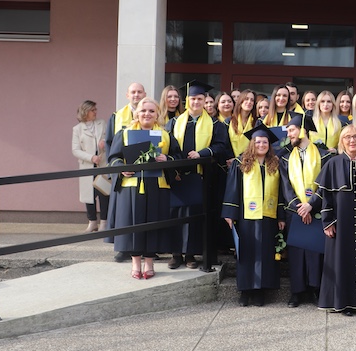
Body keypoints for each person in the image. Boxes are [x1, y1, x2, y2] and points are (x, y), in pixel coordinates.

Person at [107, 97, 180, 280]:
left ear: (157, 115)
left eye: (151, 111)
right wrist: (122, 169)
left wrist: (168, 160)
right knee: (133, 224)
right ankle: (135, 262)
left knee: (153, 224)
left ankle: (149, 262)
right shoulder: (124, 134)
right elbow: (113, 158)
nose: (147, 114)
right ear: (136, 113)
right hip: (131, 186)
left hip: (156, 186)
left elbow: (177, 156)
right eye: (143, 110)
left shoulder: (165, 135)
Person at [316, 125, 356, 316]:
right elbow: (325, 195)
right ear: (341, 141)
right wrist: (327, 221)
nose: (352, 141)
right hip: (340, 222)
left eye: (355, 137)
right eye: (347, 137)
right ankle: (341, 303)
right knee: (340, 261)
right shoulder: (332, 163)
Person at [166, 80, 229, 269]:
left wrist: (201, 154)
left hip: (201, 177)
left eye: (200, 99)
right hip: (177, 177)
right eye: (193, 99)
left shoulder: (215, 124)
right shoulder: (174, 122)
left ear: (205, 101)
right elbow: (167, 145)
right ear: (187, 101)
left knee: (195, 216)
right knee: (175, 215)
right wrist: (173, 168)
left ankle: (191, 255)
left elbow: (221, 147)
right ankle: (176, 254)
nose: (196, 102)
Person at [222, 122, 286, 307]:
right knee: (246, 253)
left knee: (266, 253)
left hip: (268, 216)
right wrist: (230, 213)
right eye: (258, 142)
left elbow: (282, 192)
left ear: (269, 145)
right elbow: (232, 189)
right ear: (252, 143)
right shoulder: (240, 163)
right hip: (246, 217)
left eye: (264, 142)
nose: (261, 145)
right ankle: (245, 290)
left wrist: (281, 216)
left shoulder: (275, 164)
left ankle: (260, 292)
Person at [279, 114, 333, 307]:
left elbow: (325, 185)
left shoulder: (325, 155)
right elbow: (285, 187)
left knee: (315, 252)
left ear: (302, 129)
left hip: (317, 210)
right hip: (295, 212)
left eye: (292, 130)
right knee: (296, 253)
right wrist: (300, 207)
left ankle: (316, 289)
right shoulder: (285, 158)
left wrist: (311, 204)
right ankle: (297, 292)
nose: (289, 134)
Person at [105, 82, 146, 262]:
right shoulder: (116, 116)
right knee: (123, 213)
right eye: (133, 92)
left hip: (146, 174)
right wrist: (117, 169)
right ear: (127, 95)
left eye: (139, 92)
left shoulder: (152, 113)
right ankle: (123, 248)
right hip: (124, 173)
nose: (136, 95)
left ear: (144, 94)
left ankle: (147, 247)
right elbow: (109, 144)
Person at [72, 100, 108, 232]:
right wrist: (91, 157)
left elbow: (110, 140)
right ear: (85, 111)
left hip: (102, 164)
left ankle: (104, 222)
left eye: (95, 109)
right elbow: (75, 150)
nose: (95, 112)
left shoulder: (102, 123)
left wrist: (104, 143)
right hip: (87, 166)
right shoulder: (77, 129)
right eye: (93, 110)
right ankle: (92, 222)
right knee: (89, 195)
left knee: (104, 193)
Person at [228, 89, 256, 160]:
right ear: (240, 101)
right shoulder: (228, 121)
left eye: (252, 100)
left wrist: (240, 158)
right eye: (246, 99)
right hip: (230, 162)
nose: (249, 102)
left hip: (251, 161)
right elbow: (225, 144)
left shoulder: (256, 122)